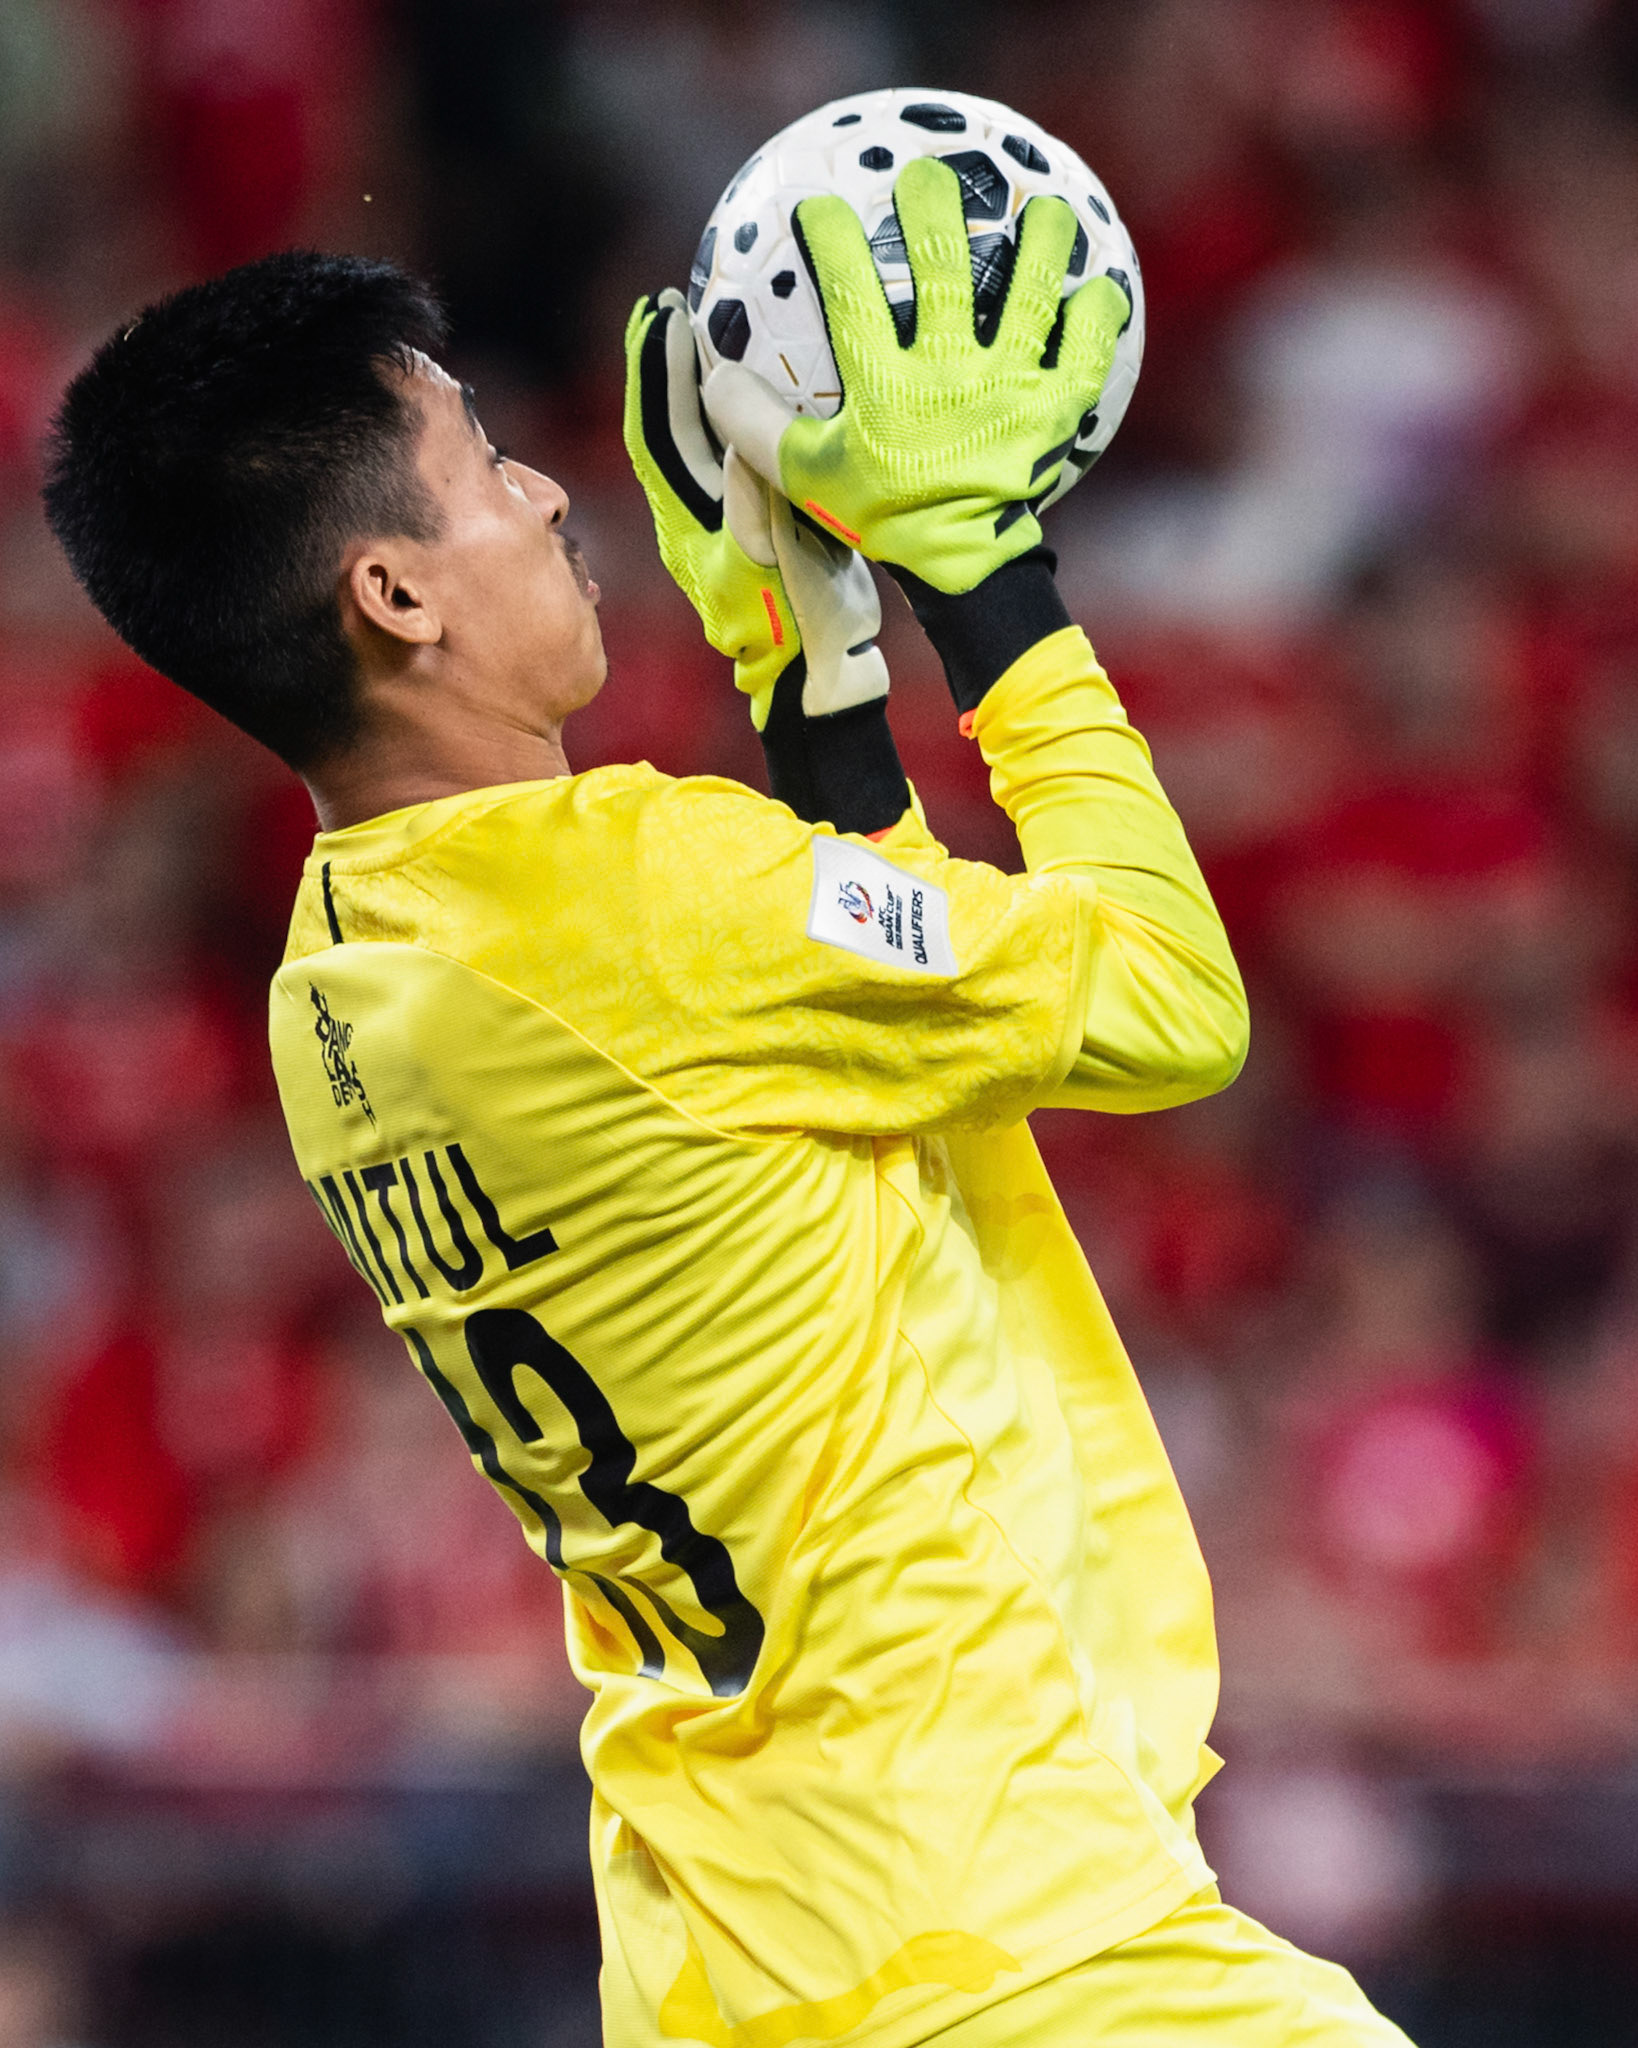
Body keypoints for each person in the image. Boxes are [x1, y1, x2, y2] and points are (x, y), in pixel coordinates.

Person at [43, 161, 1412, 2048]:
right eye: (486, 473)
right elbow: (1166, 997)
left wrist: (815, 685)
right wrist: (982, 569)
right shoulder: (634, 893)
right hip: (1007, 1952)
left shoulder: (333, 988)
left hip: (734, 1956)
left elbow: (854, 1047)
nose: (544, 497)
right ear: (393, 591)